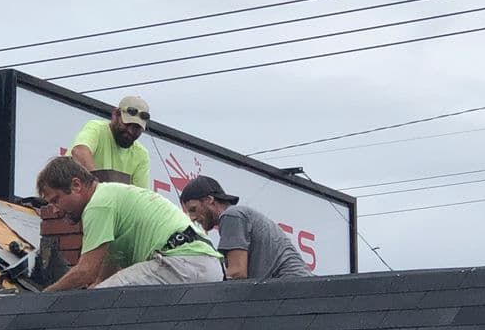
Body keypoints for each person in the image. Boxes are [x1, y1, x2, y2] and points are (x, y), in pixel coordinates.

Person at [36, 157, 223, 291]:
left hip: (181, 263)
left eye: (56, 200)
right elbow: (106, 271)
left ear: (76, 185)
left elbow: (85, 271)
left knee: (97, 303)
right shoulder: (113, 197)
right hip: (208, 266)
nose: (55, 210)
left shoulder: (98, 205)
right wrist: (96, 286)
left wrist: (44, 299)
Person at [179, 175, 313, 281]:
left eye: (193, 209)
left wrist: (199, 283)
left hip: (291, 288)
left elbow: (237, 272)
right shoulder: (239, 215)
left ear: (210, 200)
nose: (192, 218)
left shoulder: (231, 215)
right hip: (296, 288)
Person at [68, 96, 151, 188]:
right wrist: (98, 187)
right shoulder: (97, 128)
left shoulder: (141, 154)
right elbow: (79, 152)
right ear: (115, 114)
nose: (130, 131)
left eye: (136, 128)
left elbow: (140, 193)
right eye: (127, 124)